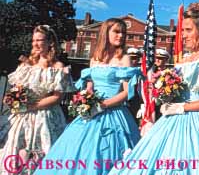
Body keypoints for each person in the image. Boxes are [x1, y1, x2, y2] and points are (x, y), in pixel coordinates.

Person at [109, 2, 199, 175]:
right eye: (182, 30)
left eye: (188, 30)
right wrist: (165, 94)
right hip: (170, 121)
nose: (183, 35)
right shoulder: (185, 59)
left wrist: (182, 107)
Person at [35, 18, 141, 175]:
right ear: (106, 33)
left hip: (115, 113)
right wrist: (84, 100)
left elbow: (126, 93)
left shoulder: (124, 58)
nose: (121, 36)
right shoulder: (95, 59)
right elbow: (89, 88)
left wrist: (102, 105)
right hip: (90, 114)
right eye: (116, 32)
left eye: (123, 33)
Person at [0, 25, 74, 174]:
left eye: (39, 40)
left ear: (50, 42)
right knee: (15, 153)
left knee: (42, 157)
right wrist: (12, 99)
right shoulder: (27, 65)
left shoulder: (57, 66)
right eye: (34, 40)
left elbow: (57, 97)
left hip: (45, 116)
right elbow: (15, 89)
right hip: (21, 117)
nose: (35, 44)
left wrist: (32, 106)